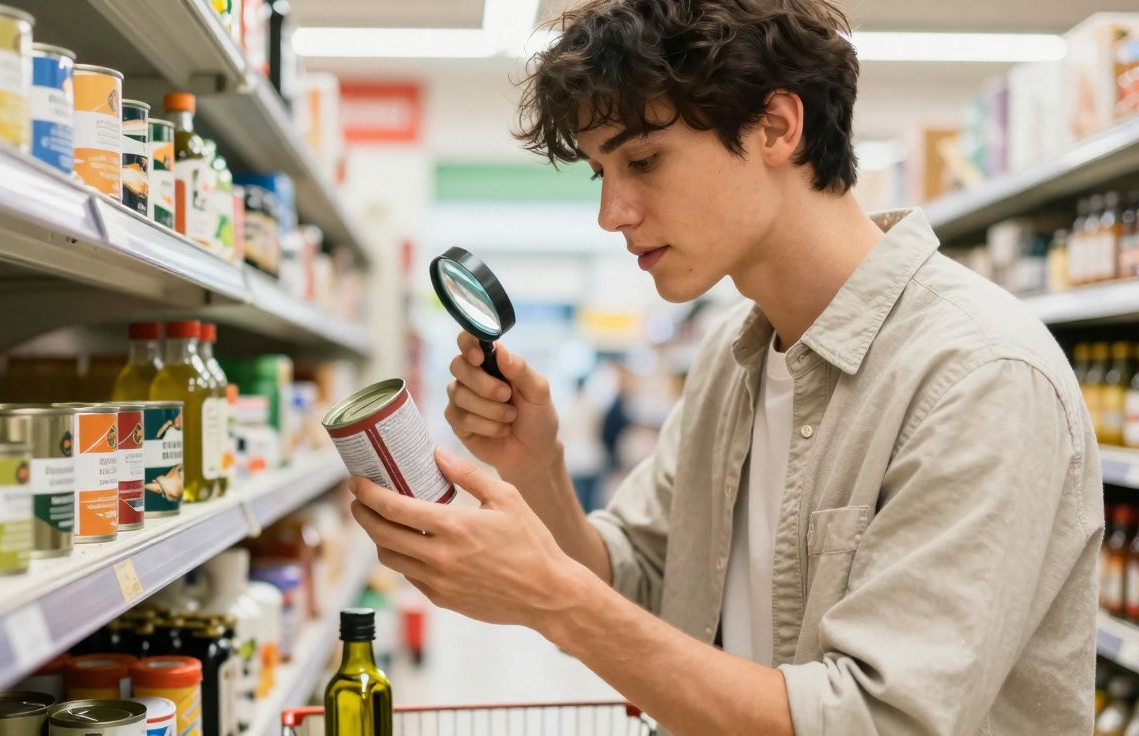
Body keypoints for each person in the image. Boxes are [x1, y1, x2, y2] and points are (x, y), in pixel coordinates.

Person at [346, 1, 1103, 733]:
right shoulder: (731, 361)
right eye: (600, 174)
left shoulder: (978, 377)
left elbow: (872, 722)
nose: (612, 213)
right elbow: (636, 580)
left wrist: (552, 601)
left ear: (776, 126)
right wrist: (537, 466)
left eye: (642, 159)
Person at [562, 375, 607, 512]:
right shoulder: (593, 406)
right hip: (591, 457)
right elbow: (598, 430)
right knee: (591, 501)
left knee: (577, 500)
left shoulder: (567, 407)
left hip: (576, 459)